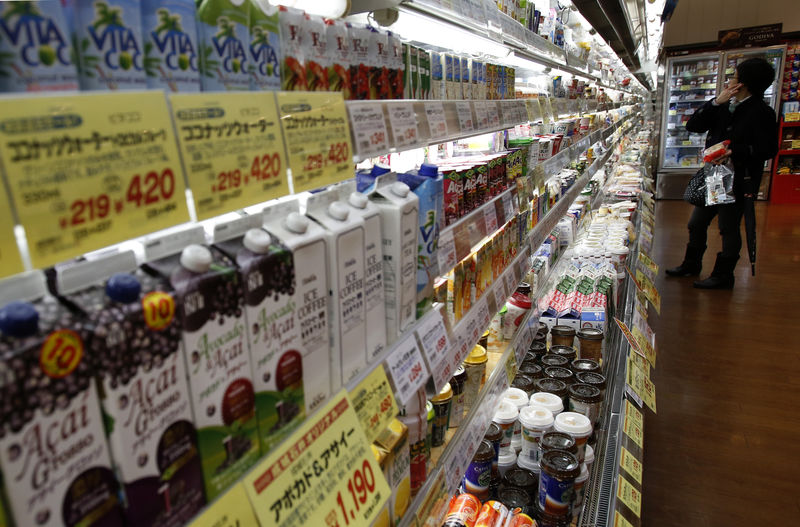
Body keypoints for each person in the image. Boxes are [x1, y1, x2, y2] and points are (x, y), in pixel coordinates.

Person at [666, 57, 778, 289]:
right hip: (715, 176)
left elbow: (767, 150)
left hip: (738, 179)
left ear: (744, 83)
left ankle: (723, 275)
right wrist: (716, 103)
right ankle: (691, 264)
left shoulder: (761, 112)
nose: (730, 80)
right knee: (696, 223)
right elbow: (693, 126)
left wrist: (733, 150)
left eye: (734, 77)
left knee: (728, 228)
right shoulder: (725, 104)